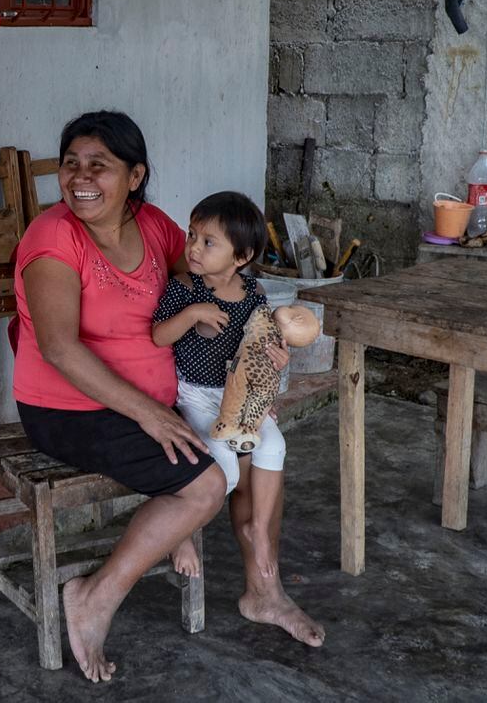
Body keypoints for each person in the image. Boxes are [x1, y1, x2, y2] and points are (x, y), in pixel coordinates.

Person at [13, 110, 286, 682]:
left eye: (99, 165)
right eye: (70, 164)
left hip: (161, 403)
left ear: (135, 176)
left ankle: (264, 590)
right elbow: (60, 349)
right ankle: (93, 598)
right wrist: (151, 414)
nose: (80, 177)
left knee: (259, 445)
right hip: (71, 409)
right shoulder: (53, 237)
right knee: (204, 482)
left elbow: (217, 286)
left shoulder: (157, 227)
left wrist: (258, 361)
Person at [151, 191, 326, 647]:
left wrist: (276, 363)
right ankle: (180, 535)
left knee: (275, 445)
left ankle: (259, 534)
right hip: (195, 397)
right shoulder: (183, 290)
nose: (193, 248)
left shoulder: (254, 294)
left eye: (209, 242)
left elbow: (264, 346)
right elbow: (157, 336)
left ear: (242, 257)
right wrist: (191, 315)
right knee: (224, 470)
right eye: (192, 235)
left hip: (238, 396)